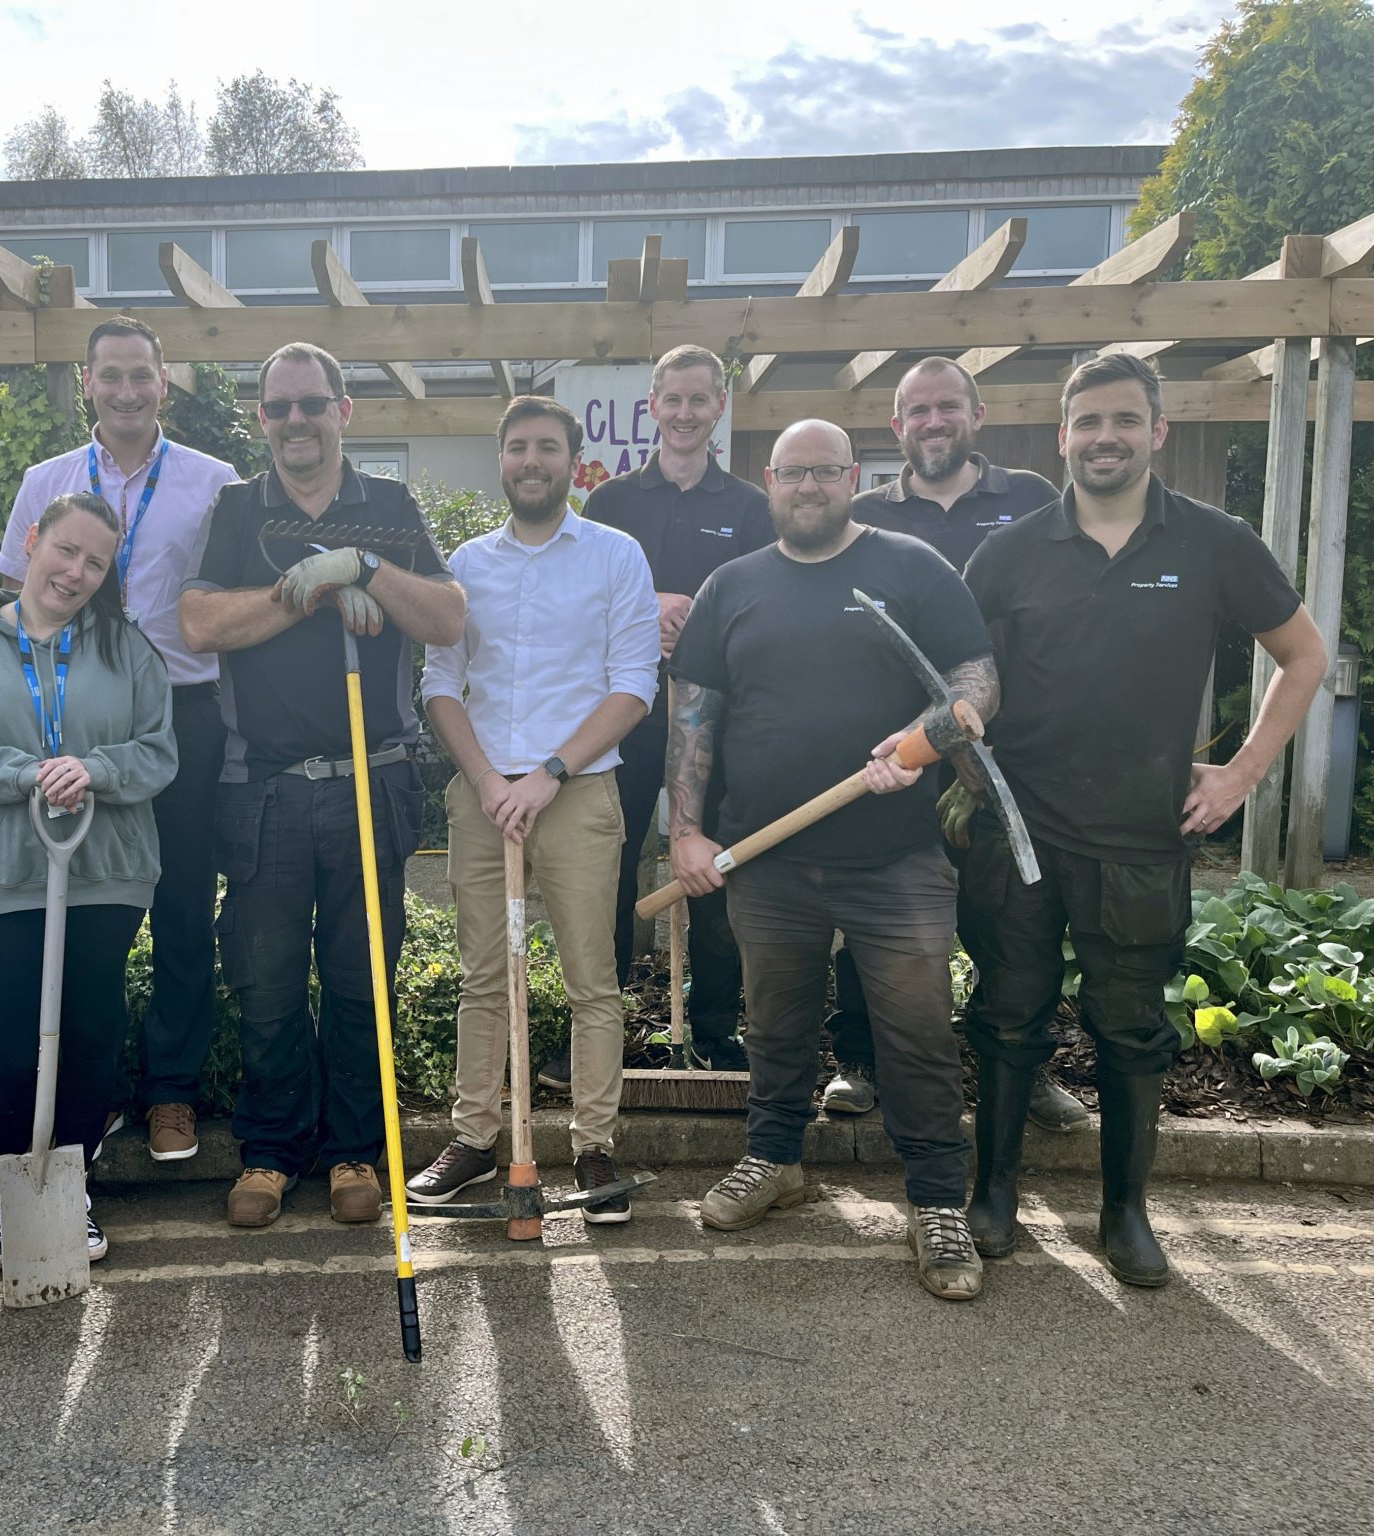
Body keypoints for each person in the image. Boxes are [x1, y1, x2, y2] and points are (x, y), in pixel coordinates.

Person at [958, 354, 1326, 1286]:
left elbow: (1304, 655)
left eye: (1124, 421)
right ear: (1063, 437)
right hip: (1020, 831)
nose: (1104, 438)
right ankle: (991, 1194)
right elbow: (963, 679)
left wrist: (1242, 774)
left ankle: (1123, 1211)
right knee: (1008, 1017)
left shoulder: (1214, 542)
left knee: (1130, 1029)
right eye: (1087, 423)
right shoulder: (1007, 552)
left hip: (1141, 834)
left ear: (1157, 432)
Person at [669, 418, 996, 1301]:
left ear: (854, 476)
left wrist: (926, 743)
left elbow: (976, 682)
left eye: (824, 470)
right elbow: (695, 714)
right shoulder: (731, 585)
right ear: (768, 482)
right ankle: (774, 1160)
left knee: (917, 1033)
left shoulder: (912, 567)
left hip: (895, 858)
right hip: (767, 859)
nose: (807, 486)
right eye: (790, 472)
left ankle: (934, 1201)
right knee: (774, 1023)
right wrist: (686, 832)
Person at [179, 341, 466, 1230]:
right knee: (264, 979)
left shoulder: (388, 506)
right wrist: (300, 591)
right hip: (262, 786)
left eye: (312, 404)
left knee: (358, 978)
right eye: (278, 407)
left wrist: (364, 566)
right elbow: (199, 623)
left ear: (344, 411)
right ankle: (268, 1152)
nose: (295, 421)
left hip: (372, 780)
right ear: (261, 419)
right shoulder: (236, 510)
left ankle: (354, 1150)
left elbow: (449, 616)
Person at [0, 493, 177, 1273]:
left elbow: (158, 750)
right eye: (66, 550)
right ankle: (2, 1195)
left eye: (96, 562)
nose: (76, 572)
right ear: (31, 541)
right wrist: (27, 774)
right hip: (4, 874)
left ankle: (71, 1184)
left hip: (106, 872)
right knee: (22, 1040)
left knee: (92, 1034)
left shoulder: (126, 648)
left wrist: (96, 768)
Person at [0, 317, 240, 1164]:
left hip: (183, 712)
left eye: (143, 375)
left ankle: (170, 1092)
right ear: (87, 385)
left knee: (179, 906)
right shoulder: (47, 482)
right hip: (73, 715)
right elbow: (15, 595)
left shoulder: (216, 483)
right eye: (112, 376)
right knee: (81, 907)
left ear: (165, 383)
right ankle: (78, 1094)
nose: (128, 391)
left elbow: (239, 600)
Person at [409, 397, 659, 1218]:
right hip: (483, 796)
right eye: (517, 447)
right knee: (485, 978)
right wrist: (486, 779)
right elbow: (439, 682)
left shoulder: (617, 556)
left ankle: (593, 1150)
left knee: (593, 982)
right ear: (501, 459)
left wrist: (549, 772)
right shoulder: (466, 564)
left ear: (572, 461)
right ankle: (476, 1141)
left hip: (577, 792)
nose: (531, 461)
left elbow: (634, 684)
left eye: (547, 447)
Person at [824, 356, 1085, 1130]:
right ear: (896, 427)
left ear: (978, 416)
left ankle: (1022, 1067)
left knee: (1013, 919)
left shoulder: (1034, 500)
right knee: (874, 907)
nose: (933, 422)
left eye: (948, 407)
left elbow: (1059, 623)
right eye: (917, 411)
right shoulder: (864, 514)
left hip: (1008, 755)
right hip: (896, 756)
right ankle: (860, 1059)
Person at [579, 343, 774, 1083]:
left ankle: (716, 1027)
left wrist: (702, 623)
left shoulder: (751, 510)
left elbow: (764, 610)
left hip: (717, 722)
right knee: (612, 865)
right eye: (673, 399)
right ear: (652, 406)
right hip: (623, 715)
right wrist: (646, 608)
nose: (686, 413)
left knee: (714, 867)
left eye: (701, 400)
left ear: (719, 406)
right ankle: (605, 1021)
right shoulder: (611, 504)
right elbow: (581, 602)